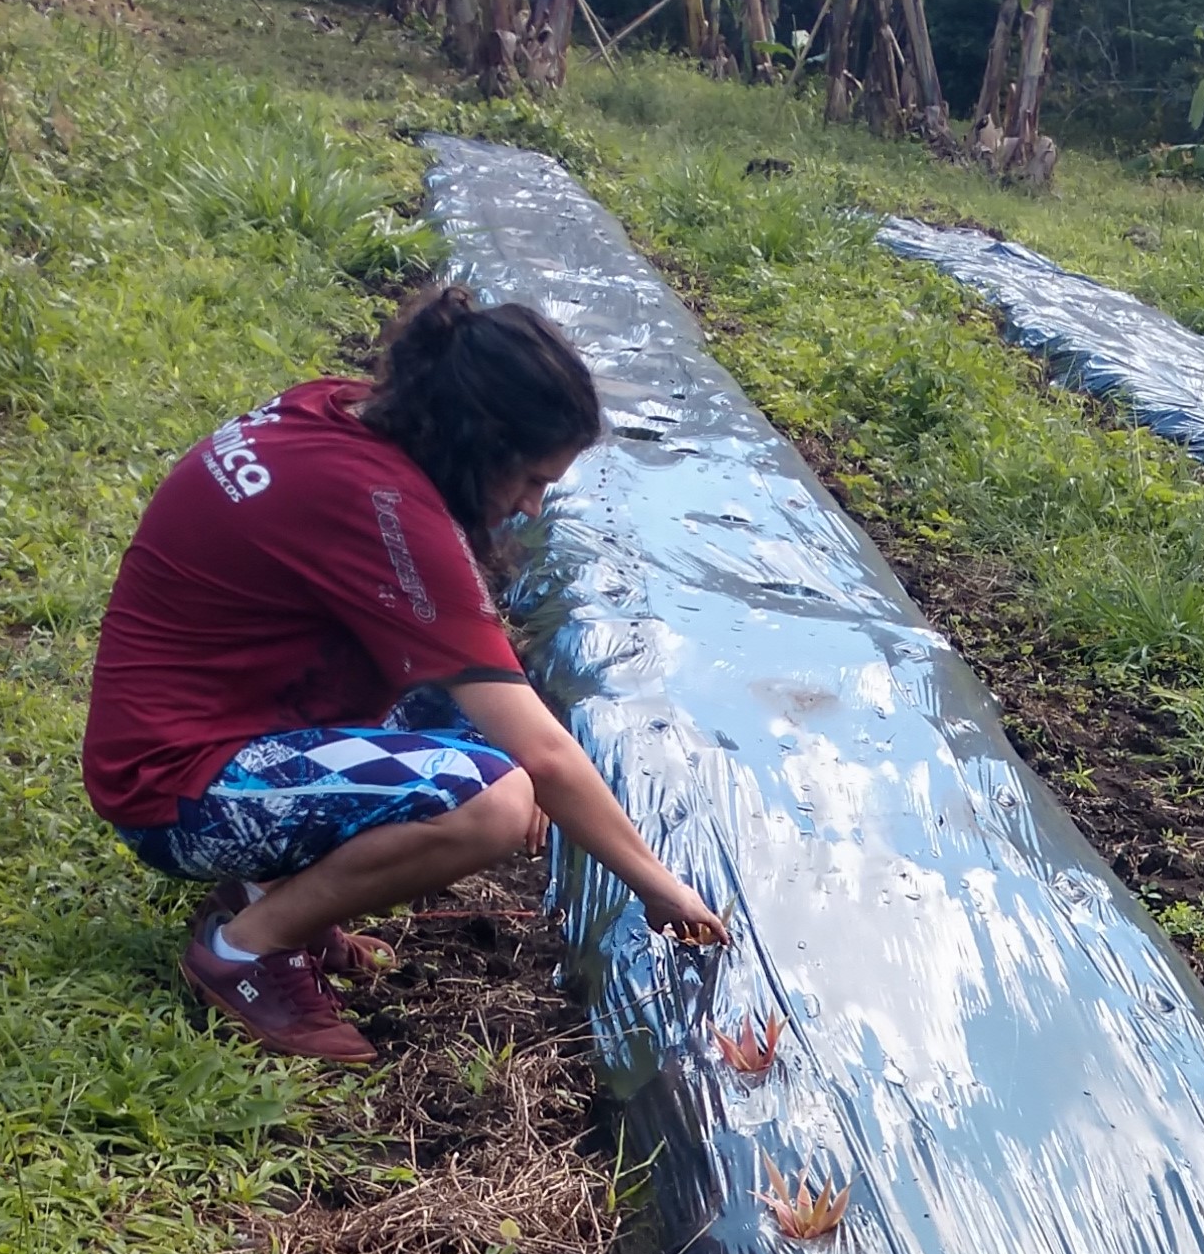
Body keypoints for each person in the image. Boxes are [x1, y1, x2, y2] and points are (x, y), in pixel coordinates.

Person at [82, 282, 728, 1067]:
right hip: (173, 787)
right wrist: (662, 888)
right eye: (528, 480)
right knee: (494, 799)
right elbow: (547, 757)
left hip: (217, 721)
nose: (529, 507)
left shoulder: (338, 413)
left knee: (480, 712)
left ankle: (273, 896)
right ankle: (245, 952)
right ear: (476, 441)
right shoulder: (381, 506)